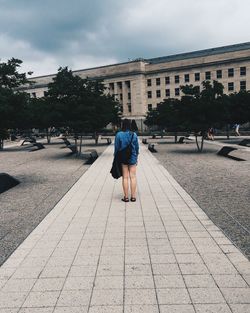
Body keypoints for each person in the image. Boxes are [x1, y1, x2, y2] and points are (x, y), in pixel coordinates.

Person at [114, 119, 139, 202]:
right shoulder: (134, 134)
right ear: (130, 125)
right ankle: (133, 197)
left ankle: (126, 197)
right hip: (132, 157)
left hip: (123, 158)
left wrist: (116, 157)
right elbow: (136, 147)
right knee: (133, 177)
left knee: (125, 177)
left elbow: (117, 148)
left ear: (122, 125)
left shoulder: (119, 135)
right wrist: (136, 156)